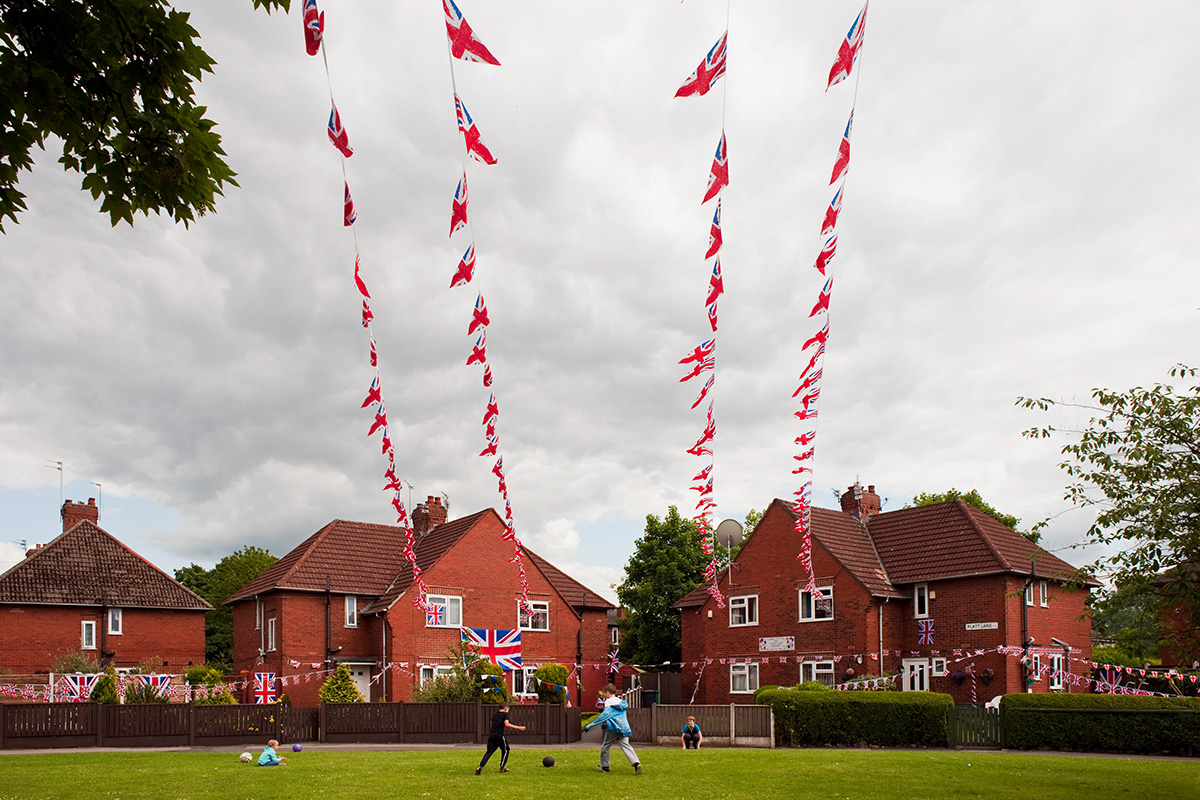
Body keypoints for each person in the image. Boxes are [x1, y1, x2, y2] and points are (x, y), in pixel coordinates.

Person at [583, 684, 641, 775]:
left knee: (606, 746)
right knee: (626, 745)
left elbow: (605, 715)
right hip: (624, 727)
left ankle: (605, 766)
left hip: (614, 727)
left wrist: (589, 726)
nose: (605, 695)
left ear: (608, 693)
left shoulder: (608, 702)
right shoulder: (621, 702)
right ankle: (636, 763)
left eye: (605, 693)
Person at [475, 702, 526, 774]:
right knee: (506, 749)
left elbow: (492, 722)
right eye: (508, 709)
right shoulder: (505, 715)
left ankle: (480, 767)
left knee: (489, 751)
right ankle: (502, 767)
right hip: (499, 736)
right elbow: (506, 724)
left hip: (492, 735)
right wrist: (519, 727)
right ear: (505, 709)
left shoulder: (495, 715)